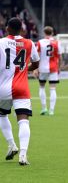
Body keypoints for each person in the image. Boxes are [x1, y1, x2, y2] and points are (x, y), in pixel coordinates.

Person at [0, 18, 39, 165]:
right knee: (23, 121)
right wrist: (23, 70)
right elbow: (35, 63)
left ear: (8, 28)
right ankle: (23, 155)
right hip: (21, 87)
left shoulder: (1, 42)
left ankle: (11, 145)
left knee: (2, 115)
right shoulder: (29, 43)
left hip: (3, 88)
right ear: (21, 29)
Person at [34, 26, 62, 115]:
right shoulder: (57, 42)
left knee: (42, 87)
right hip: (53, 68)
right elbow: (60, 57)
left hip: (42, 69)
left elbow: (37, 56)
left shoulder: (40, 42)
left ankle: (44, 108)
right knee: (52, 89)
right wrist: (59, 67)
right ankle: (51, 110)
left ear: (44, 33)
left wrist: (36, 69)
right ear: (52, 33)